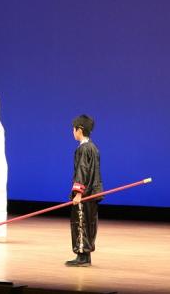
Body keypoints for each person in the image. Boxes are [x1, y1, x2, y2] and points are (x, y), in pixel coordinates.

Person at [65, 114, 103, 267]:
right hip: (93, 193)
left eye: (73, 129)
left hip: (85, 194)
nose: (72, 132)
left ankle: (82, 256)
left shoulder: (83, 149)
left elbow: (82, 170)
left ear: (79, 130)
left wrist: (78, 193)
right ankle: (85, 256)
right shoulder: (93, 148)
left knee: (80, 222)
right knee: (89, 223)